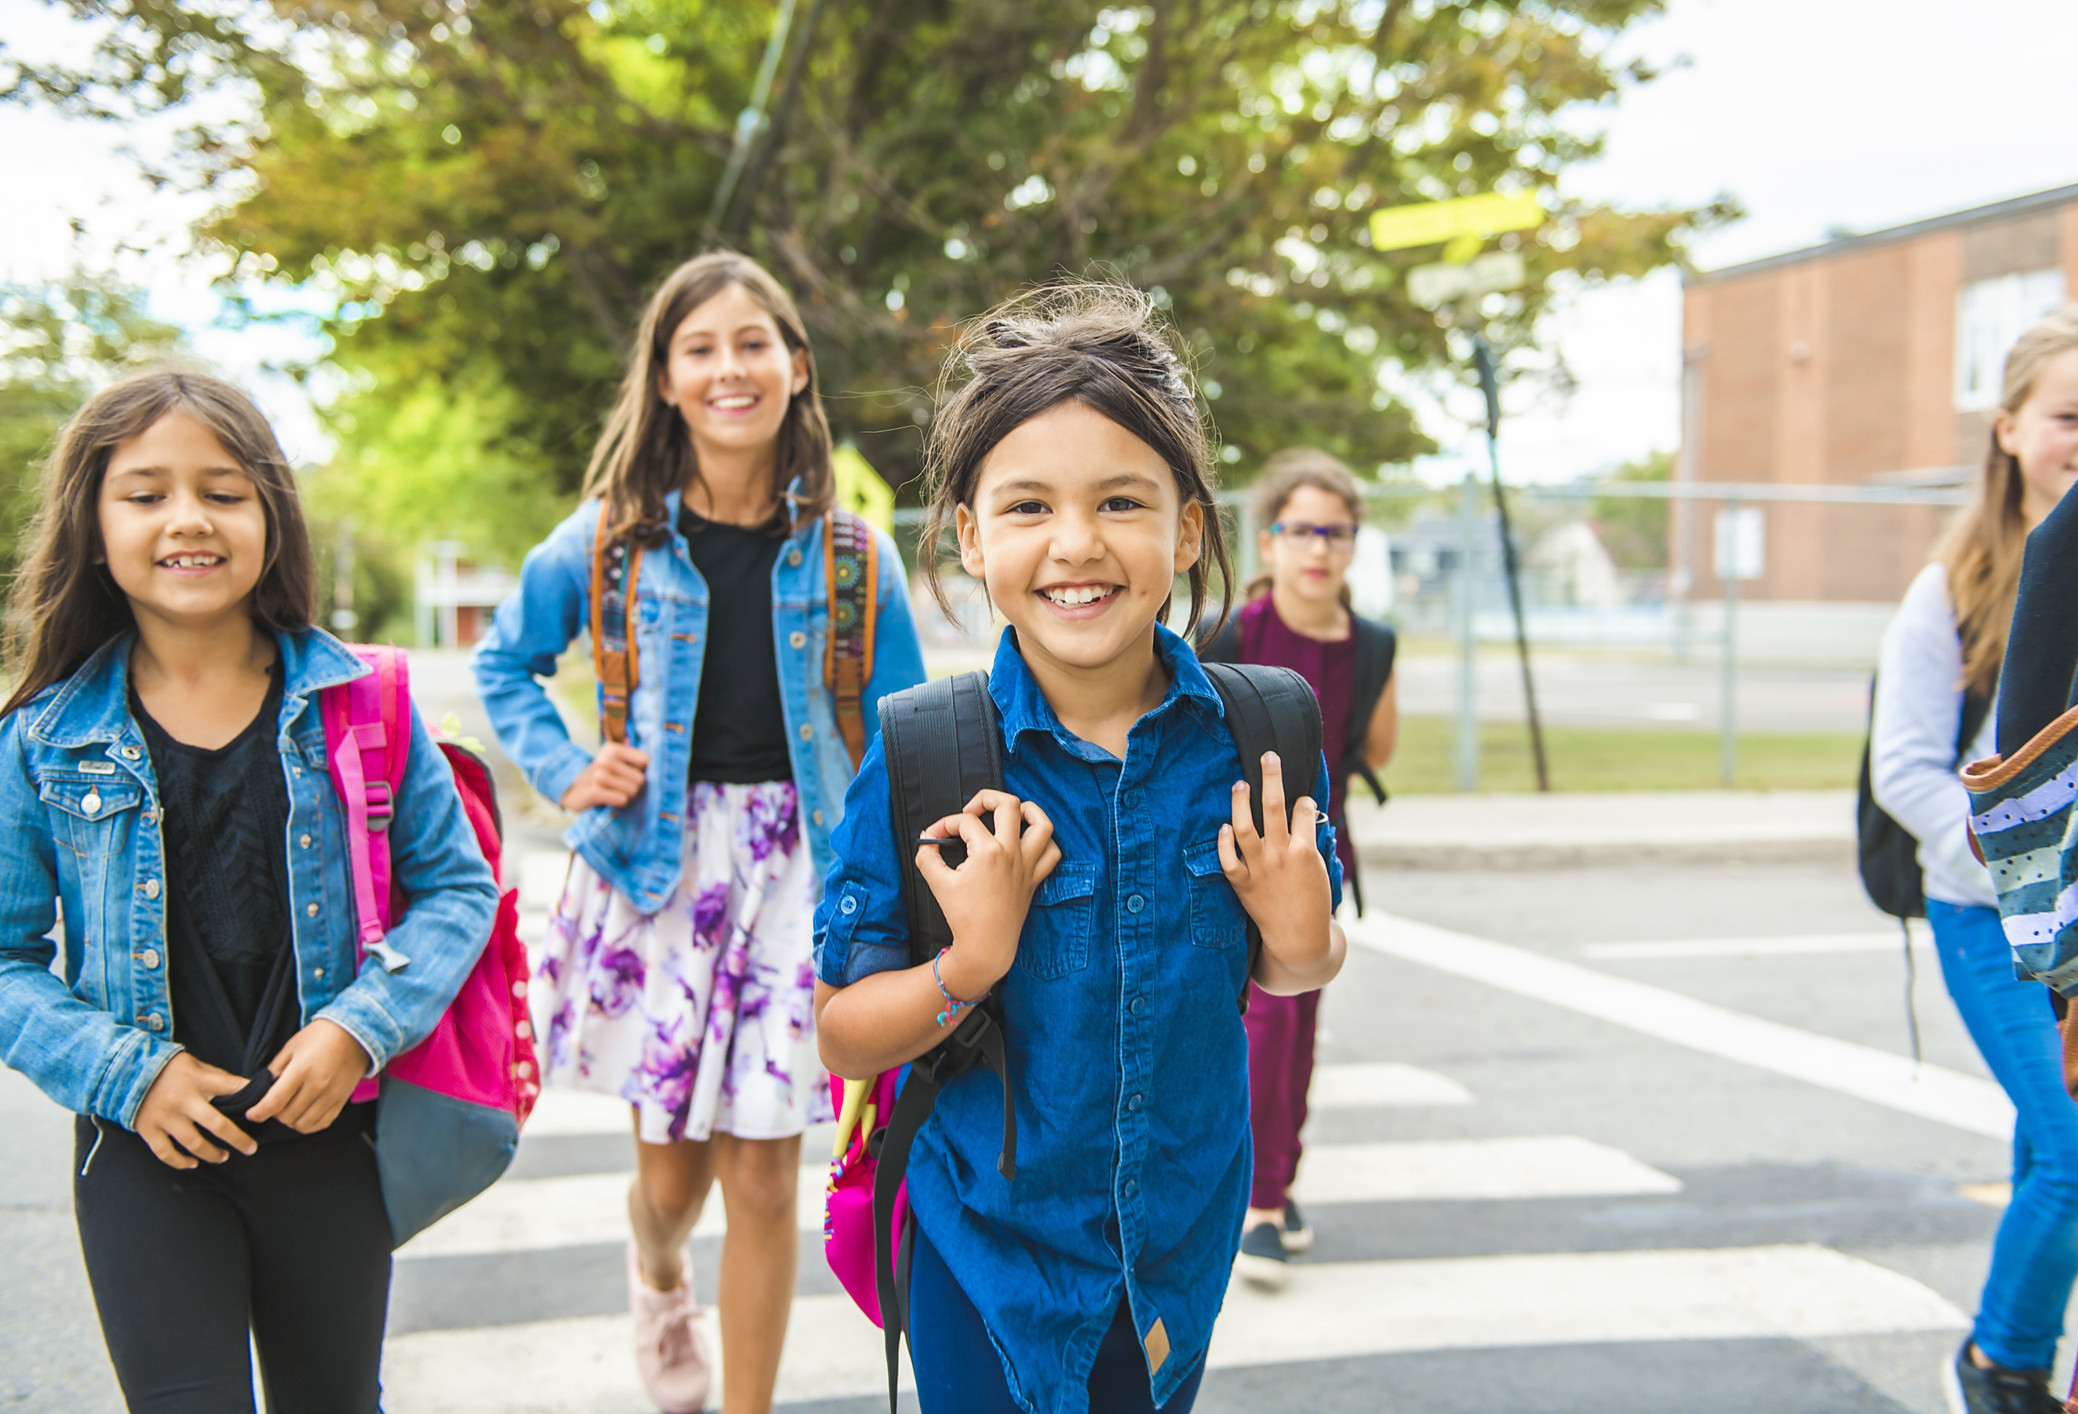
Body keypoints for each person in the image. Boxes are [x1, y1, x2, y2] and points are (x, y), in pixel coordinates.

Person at [813, 283, 1347, 1414]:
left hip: (1174, 1256)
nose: (1075, 544)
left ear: (1188, 527)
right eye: (1026, 507)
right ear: (969, 535)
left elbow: (1293, 966)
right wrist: (970, 961)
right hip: (981, 1254)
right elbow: (848, 1035)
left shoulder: (1259, 736)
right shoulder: (929, 753)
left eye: (1119, 500)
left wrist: (1306, 933)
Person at [474, 251, 924, 1414]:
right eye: (701, 348)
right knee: (672, 1184)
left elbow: (903, 738)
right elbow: (504, 661)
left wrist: (904, 907)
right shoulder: (608, 542)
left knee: (768, 1175)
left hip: (801, 876)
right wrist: (572, 766)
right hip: (656, 869)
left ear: (796, 366)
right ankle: (659, 1267)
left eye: (751, 342)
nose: (730, 367)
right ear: (667, 379)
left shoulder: (856, 556)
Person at [0, 370, 498, 1412]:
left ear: (272, 515)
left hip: (330, 1144)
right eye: (145, 493)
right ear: (93, 526)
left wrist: (359, 1027)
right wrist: (129, 1073)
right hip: (142, 1149)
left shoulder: (365, 701)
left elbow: (458, 888)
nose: (188, 518)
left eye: (223, 490)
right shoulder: (41, 736)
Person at [1872, 303, 2078, 1414]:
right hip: (1994, 921)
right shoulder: (1953, 586)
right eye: (2066, 413)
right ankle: (2003, 1360)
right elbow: (1908, 770)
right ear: (2010, 428)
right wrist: (2024, 858)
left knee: (2055, 1149)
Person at [1199, 448, 1397, 1288]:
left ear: (1352, 545)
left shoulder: (1373, 644)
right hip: (1229, 848)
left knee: (1296, 1021)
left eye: (1335, 532)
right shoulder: (1234, 632)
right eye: (1300, 529)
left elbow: (1374, 749)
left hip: (1315, 854)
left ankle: (1275, 1182)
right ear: (1270, 540)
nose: (1318, 548)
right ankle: (1259, 1198)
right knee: (1256, 1022)